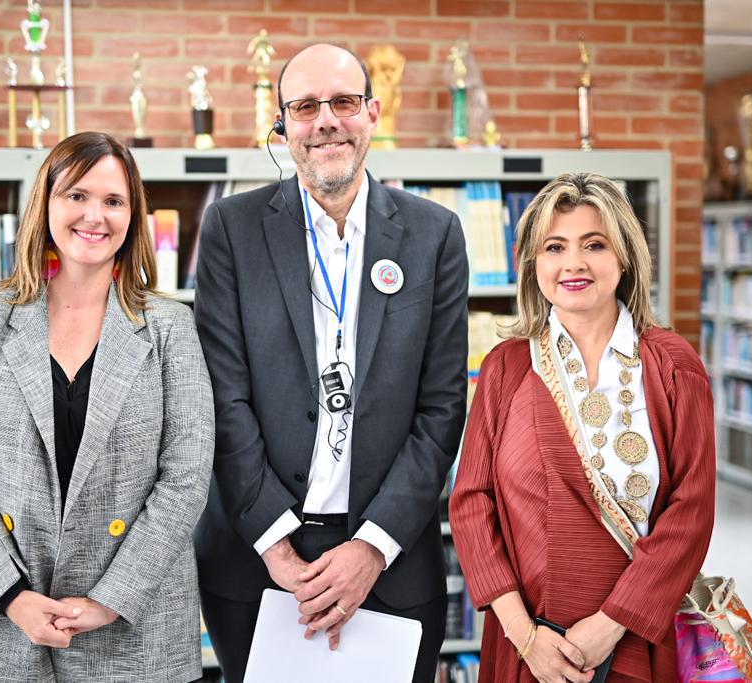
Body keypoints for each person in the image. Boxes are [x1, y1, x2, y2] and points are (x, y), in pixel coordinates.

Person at [193, 43, 469, 683]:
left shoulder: (434, 235)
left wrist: (371, 548)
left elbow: (442, 408)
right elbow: (221, 398)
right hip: (257, 563)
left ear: (372, 113)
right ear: (282, 124)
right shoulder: (232, 229)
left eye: (344, 102)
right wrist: (278, 548)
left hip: (390, 561)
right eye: (306, 106)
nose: (326, 121)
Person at [0, 131, 214, 682]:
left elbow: (186, 478)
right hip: (5, 623)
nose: (95, 216)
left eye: (114, 201)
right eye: (77, 196)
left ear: (133, 216)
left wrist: (112, 598)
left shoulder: (170, 326)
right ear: (47, 204)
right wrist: (13, 595)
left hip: (133, 628)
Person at [449, 172, 716, 682]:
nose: (573, 262)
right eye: (555, 246)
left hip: (639, 639)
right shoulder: (506, 367)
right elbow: (470, 504)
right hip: (528, 648)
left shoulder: (672, 366)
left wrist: (612, 623)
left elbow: (692, 510)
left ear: (624, 256)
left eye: (593, 244)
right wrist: (525, 636)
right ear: (534, 263)